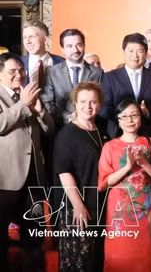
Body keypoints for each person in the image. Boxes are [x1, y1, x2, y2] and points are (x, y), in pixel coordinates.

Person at [0, 53, 53, 271]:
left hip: (33, 178)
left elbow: (49, 130)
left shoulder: (28, 94)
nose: (19, 75)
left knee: (34, 235)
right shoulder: (20, 99)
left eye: (21, 70)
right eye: (12, 71)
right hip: (5, 179)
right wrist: (23, 105)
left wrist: (40, 112)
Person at [98, 100, 151, 272]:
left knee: (147, 252)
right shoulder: (110, 146)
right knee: (120, 252)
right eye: (124, 116)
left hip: (146, 207)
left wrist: (143, 163)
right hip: (120, 208)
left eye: (134, 115)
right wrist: (127, 167)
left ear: (141, 117)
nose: (130, 120)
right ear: (118, 120)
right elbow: (103, 183)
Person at [54, 82, 109, 272]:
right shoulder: (67, 134)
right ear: (75, 104)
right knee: (78, 260)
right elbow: (64, 171)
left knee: (95, 259)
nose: (88, 107)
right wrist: (78, 205)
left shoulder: (102, 131)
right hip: (76, 207)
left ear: (100, 104)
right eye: (83, 101)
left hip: (99, 204)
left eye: (93, 102)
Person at [101, 33, 151, 142]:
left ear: (145, 53)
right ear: (123, 52)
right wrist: (124, 117)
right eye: (131, 51)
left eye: (140, 51)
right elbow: (104, 108)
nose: (135, 55)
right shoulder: (109, 77)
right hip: (118, 136)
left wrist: (147, 112)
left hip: (149, 137)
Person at [41, 28, 104, 129]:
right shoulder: (52, 72)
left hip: (90, 127)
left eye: (79, 45)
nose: (75, 50)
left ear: (84, 46)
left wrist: (85, 117)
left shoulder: (97, 73)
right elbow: (47, 102)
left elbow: (101, 101)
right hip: (61, 128)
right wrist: (68, 118)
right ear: (63, 49)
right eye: (69, 46)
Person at [21, 20, 64, 85]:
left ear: (45, 39)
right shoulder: (18, 63)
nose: (27, 41)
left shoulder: (62, 63)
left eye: (31, 37)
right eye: (25, 37)